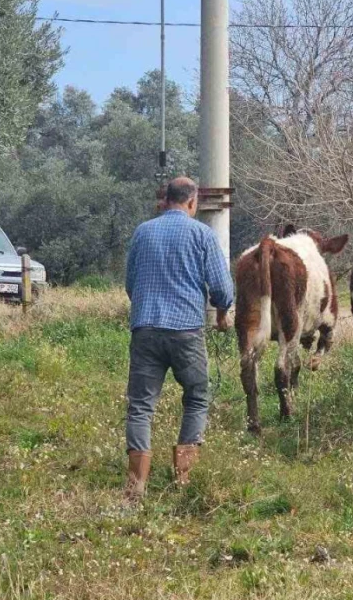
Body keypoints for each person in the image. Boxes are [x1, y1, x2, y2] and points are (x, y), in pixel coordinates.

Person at [124, 176, 234, 504]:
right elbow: (222, 290)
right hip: (186, 331)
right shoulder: (202, 234)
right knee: (197, 395)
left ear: (166, 200)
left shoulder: (143, 232)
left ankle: (137, 486)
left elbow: (131, 284)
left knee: (141, 405)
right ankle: (183, 478)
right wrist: (221, 312)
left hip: (145, 329)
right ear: (192, 202)